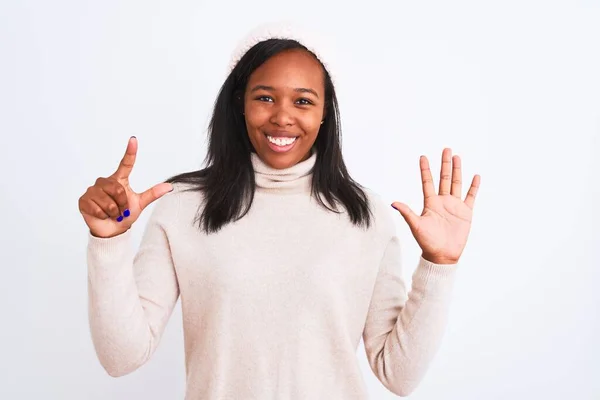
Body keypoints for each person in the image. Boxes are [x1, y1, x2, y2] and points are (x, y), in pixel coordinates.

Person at [79, 22, 480, 399]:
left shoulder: (366, 216)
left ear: (325, 113)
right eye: (265, 97)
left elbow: (398, 374)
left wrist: (439, 263)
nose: (283, 117)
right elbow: (121, 358)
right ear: (240, 103)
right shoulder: (183, 206)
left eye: (303, 101)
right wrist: (108, 241)